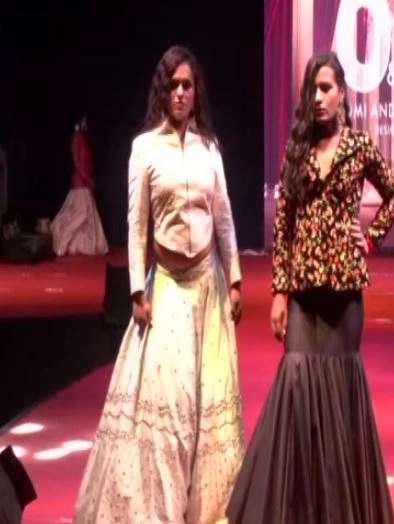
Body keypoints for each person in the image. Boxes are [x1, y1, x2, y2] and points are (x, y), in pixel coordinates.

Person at [225, 51, 394, 524]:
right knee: (298, 382)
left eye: (326, 88)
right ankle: (296, 509)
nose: (319, 98)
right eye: (313, 90)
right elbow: (283, 225)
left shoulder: (359, 146)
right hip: (302, 290)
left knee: (340, 392)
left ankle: (338, 510)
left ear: (342, 93)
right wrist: (279, 293)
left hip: (344, 292)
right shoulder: (297, 149)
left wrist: (370, 238)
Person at [73, 45, 245, 523]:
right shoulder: (145, 148)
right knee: (170, 406)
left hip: (208, 290)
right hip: (167, 287)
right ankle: (161, 509)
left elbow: (224, 217)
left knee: (209, 406)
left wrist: (234, 279)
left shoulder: (209, 148)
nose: (181, 93)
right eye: (173, 85)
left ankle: (209, 509)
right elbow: (136, 225)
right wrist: (136, 290)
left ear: (197, 91)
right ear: (162, 91)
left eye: (188, 85)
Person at [50, 113, 110, 256]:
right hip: (80, 182)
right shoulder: (77, 138)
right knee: (80, 214)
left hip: (83, 180)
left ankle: (78, 244)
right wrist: (87, 179)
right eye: (85, 121)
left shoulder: (82, 138)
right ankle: (62, 242)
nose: (86, 124)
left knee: (84, 215)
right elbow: (77, 162)